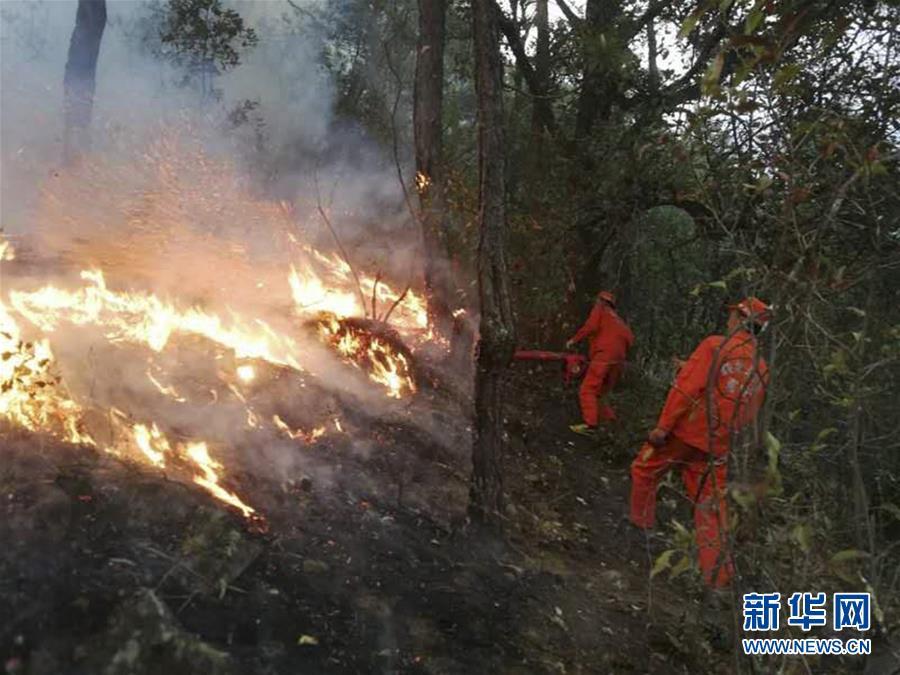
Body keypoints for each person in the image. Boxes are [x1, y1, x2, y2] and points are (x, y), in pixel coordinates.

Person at [628, 297, 770, 587]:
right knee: (710, 507)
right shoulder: (762, 366)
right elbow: (746, 409)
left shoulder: (715, 345)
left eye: (732, 315)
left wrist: (662, 427)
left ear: (740, 319)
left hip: (685, 433)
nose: (728, 320)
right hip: (718, 445)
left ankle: (640, 535)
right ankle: (718, 579)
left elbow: (686, 389)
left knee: (644, 471)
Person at [566, 290, 634, 437]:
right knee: (599, 393)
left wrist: (573, 340)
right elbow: (630, 339)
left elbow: (591, 326)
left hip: (604, 356)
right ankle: (610, 424)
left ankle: (590, 425)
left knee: (587, 389)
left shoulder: (600, 310)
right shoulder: (620, 321)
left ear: (600, 301)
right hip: (618, 361)